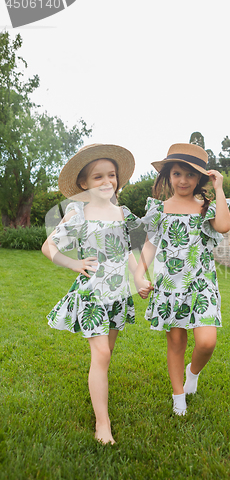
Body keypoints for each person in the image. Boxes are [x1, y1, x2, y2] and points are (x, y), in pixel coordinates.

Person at [42, 144, 150, 444]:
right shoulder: (78, 212)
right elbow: (48, 246)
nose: (106, 182)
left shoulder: (122, 213)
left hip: (117, 293)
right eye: (98, 176)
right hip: (91, 293)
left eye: (111, 175)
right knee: (101, 353)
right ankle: (103, 424)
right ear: (84, 183)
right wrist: (74, 263)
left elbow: (129, 250)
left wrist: (139, 278)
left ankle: (97, 384)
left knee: (105, 355)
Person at [135, 143, 230, 416]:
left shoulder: (206, 207)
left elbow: (224, 226)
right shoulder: (160, 209)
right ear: (168, 176)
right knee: (176, 343)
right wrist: (140, 275)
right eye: (177, 173)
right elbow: (150, 246)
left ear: (200, 178)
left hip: (201, 284)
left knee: (206, 342)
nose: (184, 180)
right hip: (170, 286)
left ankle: (193, 372)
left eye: (190, 175)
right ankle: (179, 397)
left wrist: (219, 188)